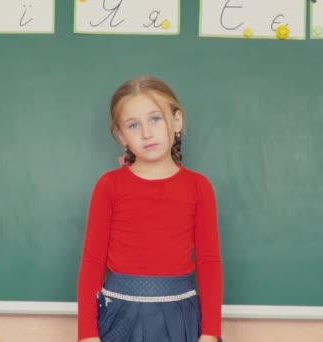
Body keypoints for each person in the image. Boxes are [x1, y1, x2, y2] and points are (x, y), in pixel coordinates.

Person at [77, 76, 223, 342]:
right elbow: (92, 261)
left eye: (155, 119)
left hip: (180, 317)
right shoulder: (109, 185)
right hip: (119, 317)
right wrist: (87, 335)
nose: (146, 133)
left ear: (176, 121)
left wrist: (210, 333)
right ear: (122, 136)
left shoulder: (199, 187)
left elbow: (209, 261)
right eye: (133, 125)